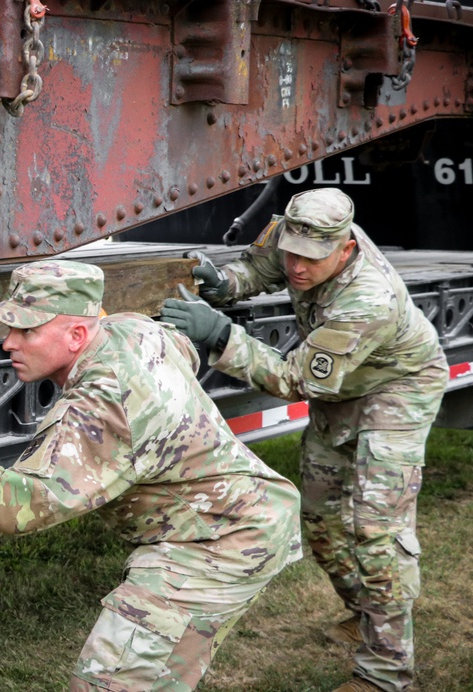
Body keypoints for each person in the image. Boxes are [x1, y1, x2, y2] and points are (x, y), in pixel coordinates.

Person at [0, 259, 302, 691]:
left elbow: (12, 507)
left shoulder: (103, 406)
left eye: (26, 331)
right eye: (9, 328)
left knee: (110, 682)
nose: (8, 343)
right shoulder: (132, 329)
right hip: (228, 520)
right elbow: (183, 350)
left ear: (77, 334)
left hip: (218, 544)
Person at [161, 188, 448, 692]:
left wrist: (221, 336)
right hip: (340, 388)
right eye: (291, 251)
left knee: (378, 531)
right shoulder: (295, 232)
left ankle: (385, 673)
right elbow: (259, 270)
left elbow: (296, 381)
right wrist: (223, 283)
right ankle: (368, 614)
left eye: (311, 259)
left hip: (397, 387)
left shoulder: (368, 300)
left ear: (345, 249)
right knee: (318, 517)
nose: (296, 265)